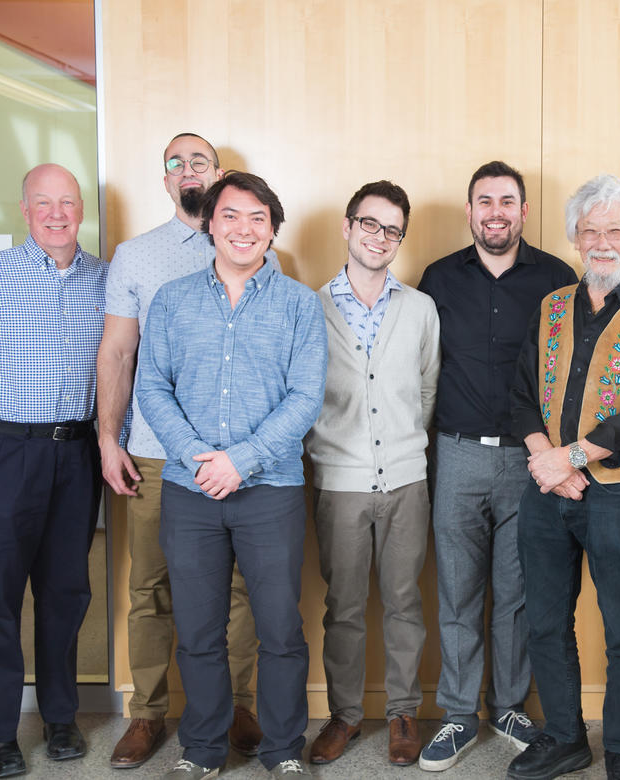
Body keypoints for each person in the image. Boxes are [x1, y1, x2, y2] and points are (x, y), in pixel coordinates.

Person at [137, 171, 327, 778]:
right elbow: (152, 387)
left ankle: (281, 749)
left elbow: (305, 397)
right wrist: (199, 456)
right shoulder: (172, 300)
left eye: (257, 218)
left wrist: (240, 460)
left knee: (278, 629)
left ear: (272, 228)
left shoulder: (299, 303)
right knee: (197, 629)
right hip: (189, 491)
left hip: (270, 490)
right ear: (209, 224)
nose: (243, 229)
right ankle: (203, 749)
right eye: (230, 217)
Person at [507, 174, 620, 780]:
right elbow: (521, 395)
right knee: (546, 619)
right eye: (591, 231)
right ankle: (564, 736)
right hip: (546, 488)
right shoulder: (551, 306)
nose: (603, 241)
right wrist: (547, 461)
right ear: (575, 239)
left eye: (616, 230)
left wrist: (571, 459)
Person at [98, 132, 267, 768]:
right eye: (176, 163)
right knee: (151, 586)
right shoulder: (136, 257)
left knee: (239, 591)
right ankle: (145, 714)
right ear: (164, 180)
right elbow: (116, 352)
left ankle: (238, 707)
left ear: (220, 173)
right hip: (154, 455)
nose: (188, 170)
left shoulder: (257, 249)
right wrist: (108, 438)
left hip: (235, 459)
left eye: (200, 161)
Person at [0, 164, 106, 778]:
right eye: (43, 203)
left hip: (75, 455)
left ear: (82, 209)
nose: (57, 214)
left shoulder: (105, 282)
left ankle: (61, 718)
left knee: (66, 593)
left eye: (67, 202)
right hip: (1, 453)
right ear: (24, 210)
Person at [416, 161, 577, 772]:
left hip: (530, 459)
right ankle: (459, 714)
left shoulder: (558, 278)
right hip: (454, 453)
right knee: (458, 590)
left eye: (507, 201)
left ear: (524, 211)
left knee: (517, 592)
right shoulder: (438, 278)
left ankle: (509, 704)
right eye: (484, 201)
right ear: (470, 211)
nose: (496, 212)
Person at [304, 181, 439, 768]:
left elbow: (427, 388)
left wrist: (404, 445)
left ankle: (405, 711)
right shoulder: (309, 307)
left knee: (406, 600)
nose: (379, 237)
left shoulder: (420, 308)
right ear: (347, 226)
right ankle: (346, 715)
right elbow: (300, 395)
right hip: (339, 480)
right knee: (346, 604)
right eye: (370, 224)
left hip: (407, 477)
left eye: (391, 229)